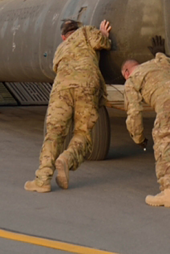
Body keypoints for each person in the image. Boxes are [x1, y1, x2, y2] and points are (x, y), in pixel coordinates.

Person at [25, 18, 112, 193]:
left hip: (61, 88)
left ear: (63, 37)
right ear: (77, 29)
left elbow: (56, 69)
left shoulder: (60, 49)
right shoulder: (87, 31)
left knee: (54, 133)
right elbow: (102, 43)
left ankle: (42, 180)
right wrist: (103, 34)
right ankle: (67, 158)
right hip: (86, 84)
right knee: (83, 134)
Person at [121, 52, 170, 207]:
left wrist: (138, 138)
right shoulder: (159, 63)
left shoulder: (131, 79)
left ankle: (169, 192)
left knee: (162, 145)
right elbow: (165, 57)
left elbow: (134, 112)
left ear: (126, 72)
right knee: (168, 144)